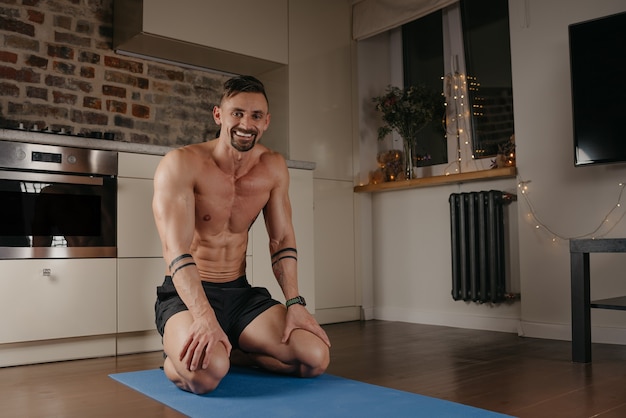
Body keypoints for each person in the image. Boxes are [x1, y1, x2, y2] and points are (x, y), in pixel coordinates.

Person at [152, 75, 331, 395]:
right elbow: (175, 250)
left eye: (256, 115)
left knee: (315, 358)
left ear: (266, 121)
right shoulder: (181, 163)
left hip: (239, 294)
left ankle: (236, 349)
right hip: (186, 297)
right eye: (237, 113)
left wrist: (295, 303)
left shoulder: (272, 167)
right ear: (218, 115)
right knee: (208, 375)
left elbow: (282, 241)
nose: (246, 123)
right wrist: (204, 318)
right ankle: (174, 358)